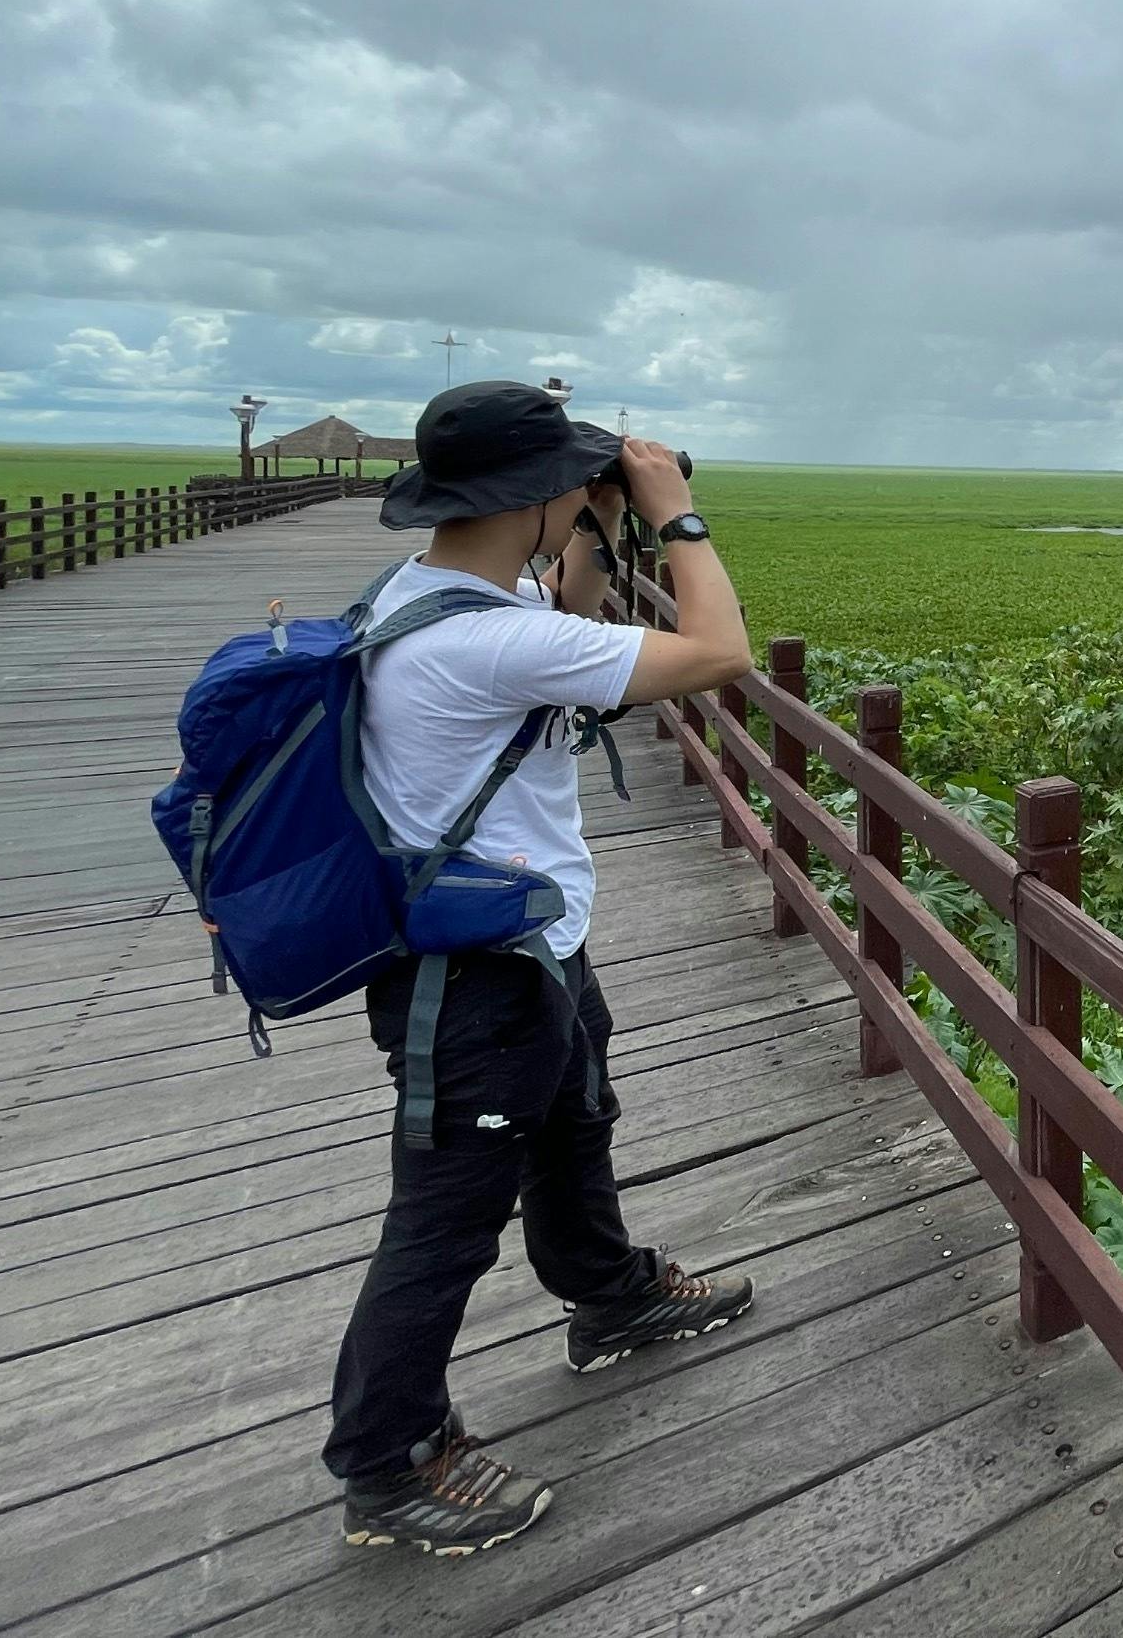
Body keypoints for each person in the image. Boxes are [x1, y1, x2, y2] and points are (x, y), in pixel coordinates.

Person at [323, 379, 758, 1553]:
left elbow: (563, 604)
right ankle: (388, 1461)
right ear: (533, 493)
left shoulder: (431, 595)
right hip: (475, 983)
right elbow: (718, 650)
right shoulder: (493, 640)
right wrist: (676, 514)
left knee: (575, 1126)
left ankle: (606, 1293)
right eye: (574, 478)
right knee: (445, 1223)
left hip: (528, 943)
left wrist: (592, 524)